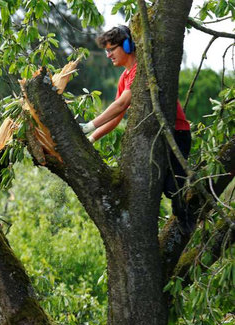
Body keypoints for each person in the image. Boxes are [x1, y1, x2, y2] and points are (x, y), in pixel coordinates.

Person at [80, 25, 192, 219]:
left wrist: (90, 124)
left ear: (127, 45)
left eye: (111, 49)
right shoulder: (124, 77)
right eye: (106, 51)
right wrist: (92, 138)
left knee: (173, 189)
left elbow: (122, 103)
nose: (108, 55)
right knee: (153, 186)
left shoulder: (142, 69)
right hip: (156, 138)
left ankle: (193, 208)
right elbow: (115, 118)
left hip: (176, 133)